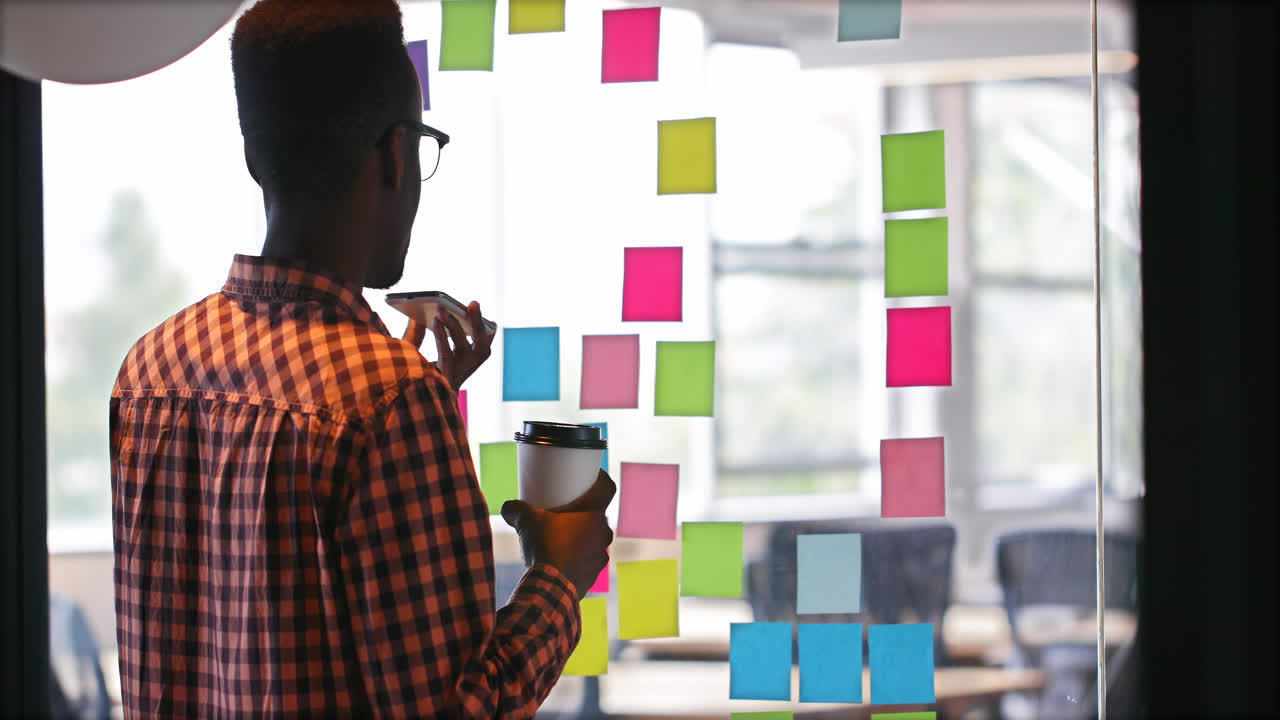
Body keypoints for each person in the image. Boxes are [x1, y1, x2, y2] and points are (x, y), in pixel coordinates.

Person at [108, 1, 613, 717]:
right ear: (396, 153)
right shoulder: (391, 403)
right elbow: (459, 708)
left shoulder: (149, 372)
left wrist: (415, 412)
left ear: (257, 158)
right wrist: (561, 571)